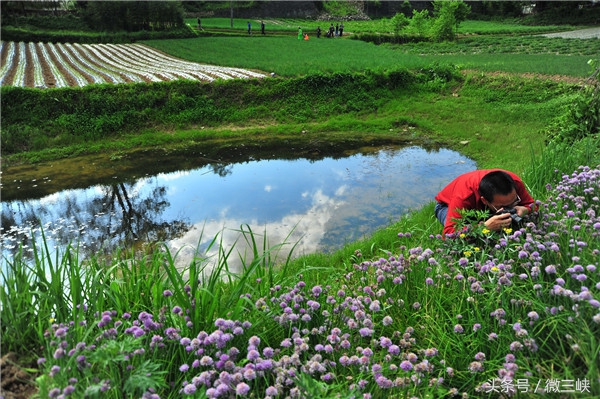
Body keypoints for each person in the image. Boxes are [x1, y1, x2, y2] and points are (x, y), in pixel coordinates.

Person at [434, 169, 536, 236]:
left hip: (483, 207)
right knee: (469, 236)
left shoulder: (514, 182)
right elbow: (449, 234)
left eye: (514, 202)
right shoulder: (464, 195)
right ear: (484, 201)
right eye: (503, 206)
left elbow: (533, 205)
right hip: (446, 206)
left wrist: (526, 209)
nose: (509, 209)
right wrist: (484, 227)